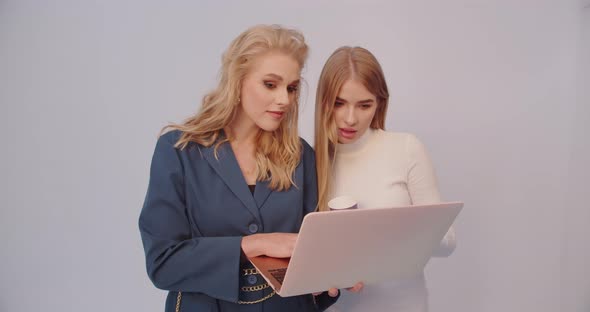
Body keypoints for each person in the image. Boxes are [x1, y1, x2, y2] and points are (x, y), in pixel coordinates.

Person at [139, 25, 341, 312]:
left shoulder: (300, 156)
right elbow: (163, 263)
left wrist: (335, 273)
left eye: (292, 88)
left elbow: (309, 263)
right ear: (237, 81)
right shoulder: (179, 151)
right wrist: (257, 244)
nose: (284, 99)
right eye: (270, 84)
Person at [314, 46, 457, 312]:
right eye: (339, 103)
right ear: (323, 102)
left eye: (364, 105)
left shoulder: (406, 148)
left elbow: (447, 241)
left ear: (380, 103)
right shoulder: (311, 163)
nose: (350, 118)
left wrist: (391, 231)